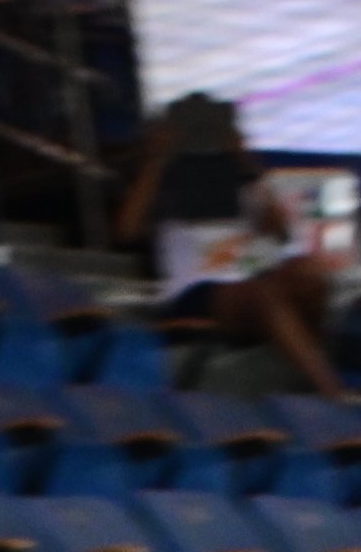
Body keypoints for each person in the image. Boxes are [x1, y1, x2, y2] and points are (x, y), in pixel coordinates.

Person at [119, 92, 347, 399]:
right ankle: (333, 394)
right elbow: (126, 231)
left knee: (308, 272)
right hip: (196, 291)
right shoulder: (164, 183)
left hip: (247, 279)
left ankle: (307, 370)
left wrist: (244, 158)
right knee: (262, 294)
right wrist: (158, 156)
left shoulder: (239, 183)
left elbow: (281, 232)